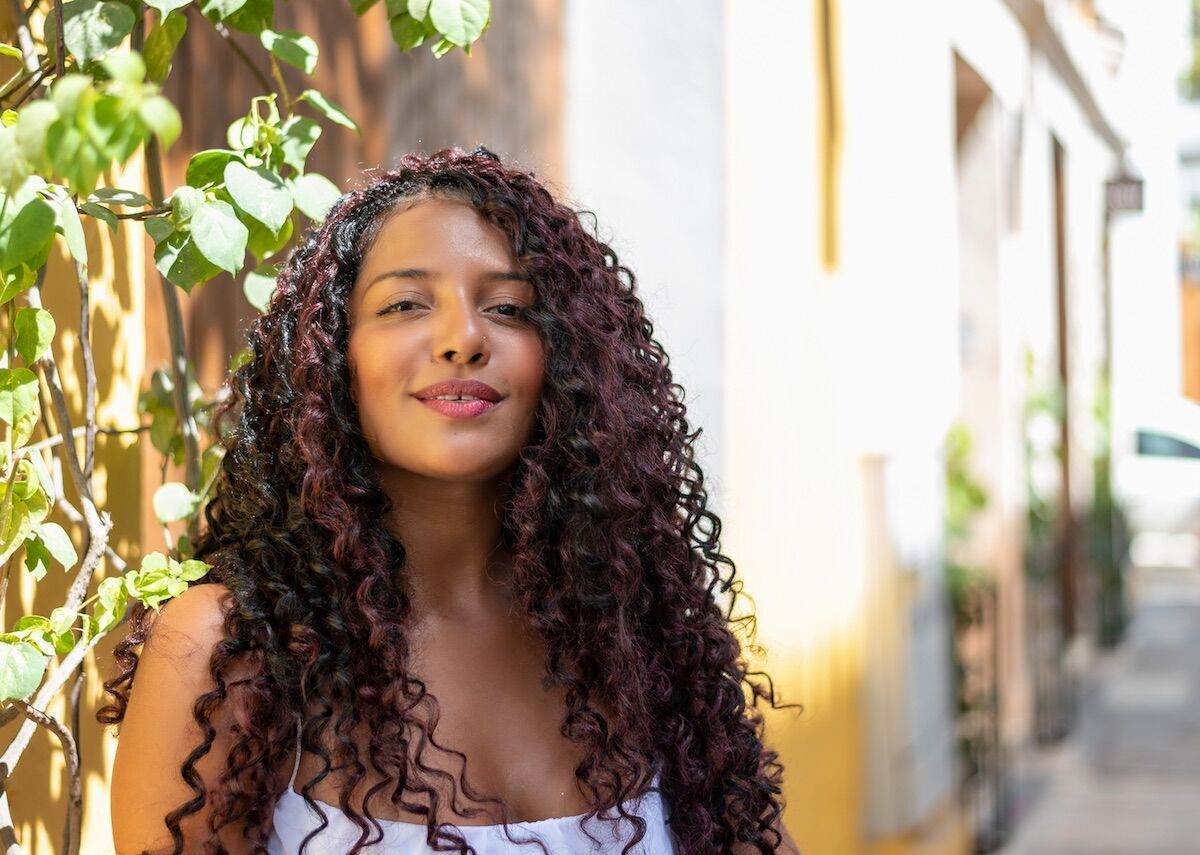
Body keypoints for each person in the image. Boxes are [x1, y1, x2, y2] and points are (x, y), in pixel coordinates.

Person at [103, 146, 801, 854]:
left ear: (569, 358)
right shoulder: (230, 653)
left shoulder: (633, 637)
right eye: (404, 304)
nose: (463, 339)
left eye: (508, 308)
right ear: (332, 354)